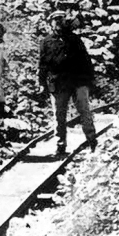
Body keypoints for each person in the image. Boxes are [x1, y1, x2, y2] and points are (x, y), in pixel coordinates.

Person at [39, 11, 97, 156]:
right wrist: (42, 83)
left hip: (78, 81)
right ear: (50, 23)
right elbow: (42, 64)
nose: (58, 22)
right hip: (58, 83)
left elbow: (85, 59)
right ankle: (60, 146)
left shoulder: (74, 39)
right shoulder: (46, 42)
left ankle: (92, 141)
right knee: (59, 116)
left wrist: (90, 79)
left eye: (61, 19)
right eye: (55, 20)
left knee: (84, 111)